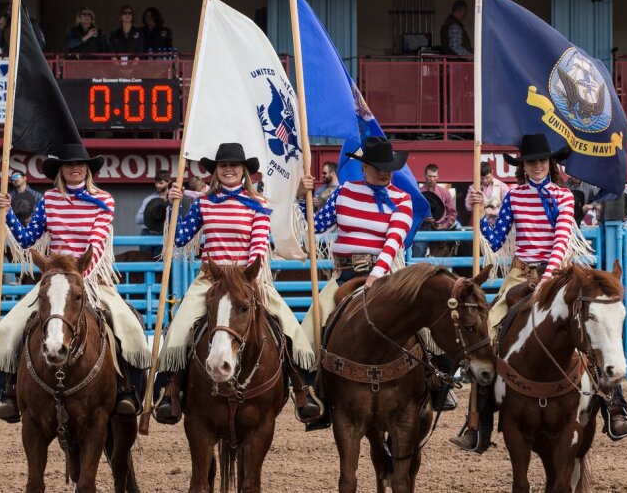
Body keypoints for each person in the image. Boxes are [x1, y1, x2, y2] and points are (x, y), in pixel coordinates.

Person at [452, 133, 627, 452]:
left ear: (550, 164)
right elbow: (495, 241)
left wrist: (546, 282)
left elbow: (562, 239)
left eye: (541, 161)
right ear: (523, 166)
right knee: (488, 332)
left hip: (560, 274)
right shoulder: (513, 196)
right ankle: (477, 424)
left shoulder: (563, 197)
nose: (536, 166)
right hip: (520, 273)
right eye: (531, 161)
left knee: (589, 327)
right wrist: (478, 214)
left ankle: (613, 406)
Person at [152, 143, 321, 426]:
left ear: (244, 171)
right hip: (210, 280)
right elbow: (180, 238)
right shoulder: (205, 203)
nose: (228, 169)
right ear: (216, 171)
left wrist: (246, 276)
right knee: (178, 330)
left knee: (290, 329)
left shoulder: (259, 204)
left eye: (234, 165)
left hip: (248, 278)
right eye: (222, 165)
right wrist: (173, 206)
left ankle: (304, 391)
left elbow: (258, 245)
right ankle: (168, 391)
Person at [0, 143, 150, 423]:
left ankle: (127, 392)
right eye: (69, 164)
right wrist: (7, 212)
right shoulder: (49, 200)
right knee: (7, 330)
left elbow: (96, 244)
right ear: (61, 170)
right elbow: (26, 239)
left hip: (91, 277)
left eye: (81, 164)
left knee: (130, 327)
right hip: (53, 278)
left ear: (88, 169)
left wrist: (78, 277)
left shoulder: (104, 200)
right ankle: (8, 393)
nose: (75, 168)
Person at [297, 136, 424, 431]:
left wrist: (375, 276)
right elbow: (315, 225)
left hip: (386, 277)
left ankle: (434, 386)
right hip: (343, 276)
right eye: (379, 167)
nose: (385, 172)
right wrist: (304, 197)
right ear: (365, 166)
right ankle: (314, 396)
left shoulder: (403, 199)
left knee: (425, 327)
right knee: (306, 335)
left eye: (389, 167)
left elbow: (394, 241)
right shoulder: (344, 192)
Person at [414, 163, 458, 257]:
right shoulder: (418, 192)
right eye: (429, 176)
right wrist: (422, 219)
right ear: (425, 176)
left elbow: (452, 213)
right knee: (418, 254)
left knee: (441, 257)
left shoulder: (444, 192)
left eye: (434, 176)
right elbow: (414, 212)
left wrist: (444, 225)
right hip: (422, 227)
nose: (432, 179)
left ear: (438, 176)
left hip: (440, 227)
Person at [135, 171, 172, 257]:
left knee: (160, 265)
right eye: (156, 183)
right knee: (144, 263)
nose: (158, 185)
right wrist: (151, 215)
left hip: (164, 234)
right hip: (147, 233)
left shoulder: (172, 199)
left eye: (161, 183)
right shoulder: (149, 199)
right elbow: (137, 219)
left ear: (168, 182)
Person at [466, 161, 509, 227]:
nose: (485, 181)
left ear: (492, 172)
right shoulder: (473, 188)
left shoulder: (502, 187)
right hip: (480, 225)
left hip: (499, 226)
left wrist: (494, 212)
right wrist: (472, 203)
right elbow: (468, 207)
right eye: (482, 178)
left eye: (487, 177)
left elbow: (508, 208)